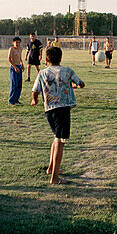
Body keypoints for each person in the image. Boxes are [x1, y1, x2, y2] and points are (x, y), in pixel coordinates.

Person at [31, 47, 85, 185]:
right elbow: (81, 83)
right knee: (61, 142)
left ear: (46, 59)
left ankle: (51, 168)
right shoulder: (67, 71)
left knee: (56, 138)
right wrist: (74, 86)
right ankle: (55, 178)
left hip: (49, 110)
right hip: (63, 110)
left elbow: (35, 90)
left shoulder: (42, 73)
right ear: (61, 58)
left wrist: (35, 100)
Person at [7, 37, 24, 105]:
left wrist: (22, 65)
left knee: (19, 84)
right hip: (14, 67)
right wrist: (15, 67)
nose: (17, 44)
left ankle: (16, 99)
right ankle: (11, 101)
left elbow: (20, 58)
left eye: (19, 42)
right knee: (14, 84)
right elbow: (9, 59)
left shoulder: (20, 49)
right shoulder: (11, 49)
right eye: (16, 42)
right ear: (13, 43)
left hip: (19, 67)